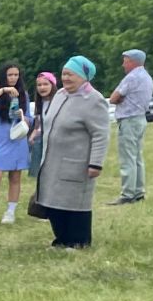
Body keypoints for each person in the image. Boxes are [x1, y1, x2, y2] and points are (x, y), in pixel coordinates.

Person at [34, 56, 110, 249]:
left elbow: (100, 134)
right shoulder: (60, 94)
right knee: (53, 200)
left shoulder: (94, 100)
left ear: (84, 77)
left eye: (70, 74)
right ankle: (61, 239)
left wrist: (96, 163)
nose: (66, 78)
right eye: (64, 74)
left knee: (75, 203)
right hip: (52, 159)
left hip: (77, 161)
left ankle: (79, 241)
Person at [0, 61, 33, 224]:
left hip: (17, 135)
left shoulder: (23, 94)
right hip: (0, 135)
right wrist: (2, 91)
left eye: (16, 75)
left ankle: (10, 211)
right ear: (4, 76)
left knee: (15, 176)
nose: (13, 78)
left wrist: (22, 115)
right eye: (10, 75)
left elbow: (29, 117)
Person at [106, 48, 153, 204]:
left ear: (132, 62)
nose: (123, 65)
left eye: (125, 61)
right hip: (140, 118)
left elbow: (113, 98)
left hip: (128, 120)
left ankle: (127, 194)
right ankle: (139, 191)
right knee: (138, 157)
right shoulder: (146, 77)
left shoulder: (131, 77)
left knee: (128, 158)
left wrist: (120, 99)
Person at [27, 71, 57, 177]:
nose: (42, 87)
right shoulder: (40, 104)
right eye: (39, 85)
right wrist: (32, 135)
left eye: (45, 84)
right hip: (41, 138)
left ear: (52, 85)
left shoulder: (58, 102)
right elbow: (38, 123)